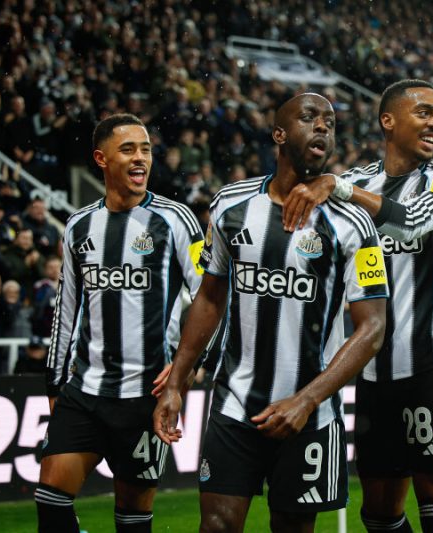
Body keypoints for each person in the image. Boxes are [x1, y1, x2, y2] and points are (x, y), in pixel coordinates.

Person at [153, 93, 388, 533]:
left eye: (330, 122)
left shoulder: (354, 224)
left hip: (310, 416)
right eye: (309, 118)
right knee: (216, 527)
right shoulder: (230, 204)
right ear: (279, 134)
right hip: (234, 404)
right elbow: (209, 298)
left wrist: (307, 400)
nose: (323, 127)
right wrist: (177, 382)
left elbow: (373, 328)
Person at [281, 79, 433, 532]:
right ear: (388, 120)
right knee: (379, 514)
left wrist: (337, 188)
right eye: (424, 113)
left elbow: (410, 222)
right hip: (371, 373)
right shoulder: (355, 181)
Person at [38, 113, 205, 533]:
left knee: (132, 518)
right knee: (50, 501)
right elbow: (65, 310)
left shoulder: (176, 219)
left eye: (145, 150)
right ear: (102, 159)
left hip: (146, 397)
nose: (140, 158)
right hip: (85, 391)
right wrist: (55, 385)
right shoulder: (79, 225)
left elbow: (212, 299)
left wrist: (187, 367)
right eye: (128, 149)